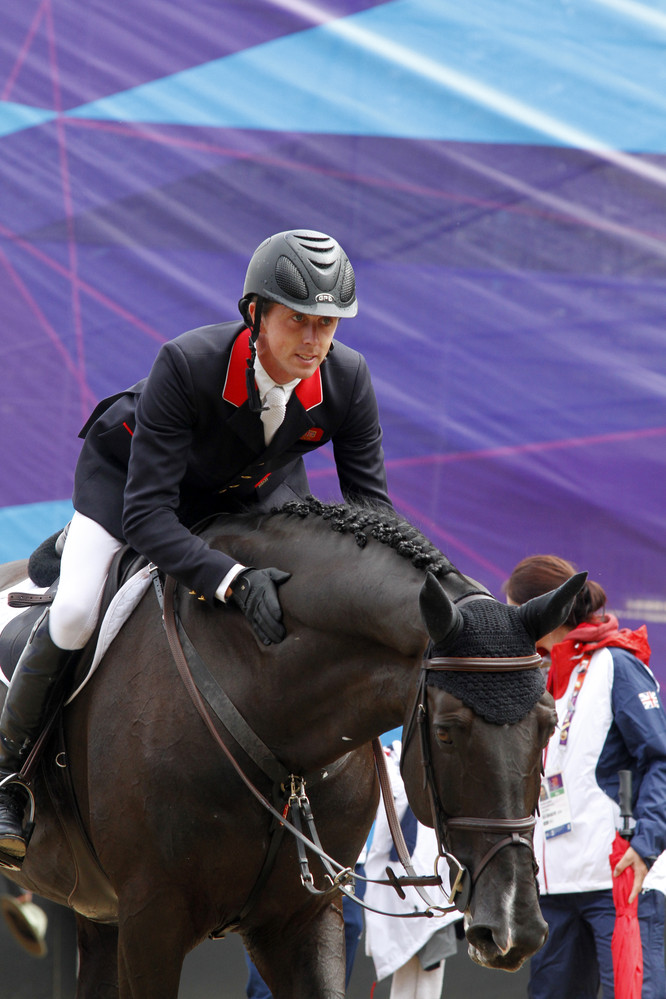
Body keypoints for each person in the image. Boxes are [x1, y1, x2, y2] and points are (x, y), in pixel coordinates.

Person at [0, 229, 392, 859]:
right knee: (74, 613)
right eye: (299, 321)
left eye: (329, 324)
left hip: (244, 490)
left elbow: (371, 509)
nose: (316, 342)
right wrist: (231, 579)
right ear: (255, 314)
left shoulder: (347, 379)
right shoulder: (187, 364)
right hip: (134, 489)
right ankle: (10, 772)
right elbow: (152, 517)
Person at [504, 555, 666, 999]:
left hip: (618, 876)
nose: (513, 624)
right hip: (555, 886)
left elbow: (661, 760)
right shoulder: (543, 675)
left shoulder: (618, 663)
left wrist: (645, 845)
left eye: (515, 611)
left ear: (543, 610)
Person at [363, 741, 461, 999]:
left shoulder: (436, 754)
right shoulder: (382, 759)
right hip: (397, 883)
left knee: (430, 975)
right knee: (404, 979)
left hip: (435, 879)